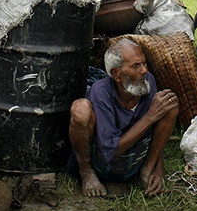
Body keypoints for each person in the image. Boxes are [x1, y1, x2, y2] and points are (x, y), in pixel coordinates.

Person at [68, 39, 179, 197]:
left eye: (144, 63)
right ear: (116, 74)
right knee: (80, 110)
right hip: (104, 162)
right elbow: (112, 150)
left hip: (136, 158)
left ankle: (147, 170)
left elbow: (157, 127)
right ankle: (86, 173)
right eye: (136, 66)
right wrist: (150, 116)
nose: (144, 70)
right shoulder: (101, 92)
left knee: (169, 104)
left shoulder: (147, 81)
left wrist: (157, 168)